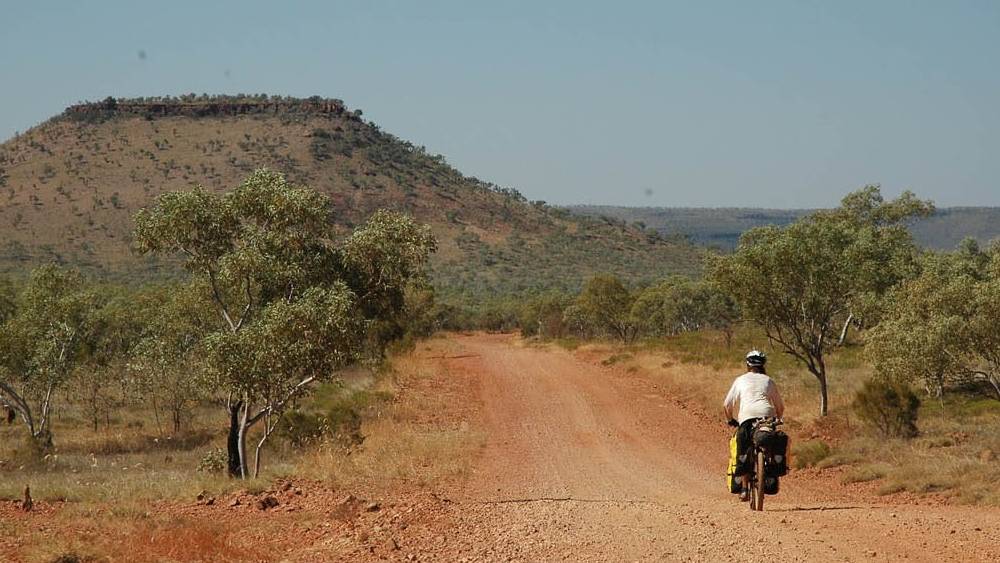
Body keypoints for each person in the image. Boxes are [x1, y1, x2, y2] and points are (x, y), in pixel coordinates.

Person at [723, 350, 784, 501]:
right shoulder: (768, 381)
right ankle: (769, 470)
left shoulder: (740, 380)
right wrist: (777, 419)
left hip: (747, 417)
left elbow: (727, 404)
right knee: (770, 440)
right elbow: (780, 407)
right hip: (767, 416)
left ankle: (744, 489)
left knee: (743, 450)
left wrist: (730, 419)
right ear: (763, 364)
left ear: (747, 364)